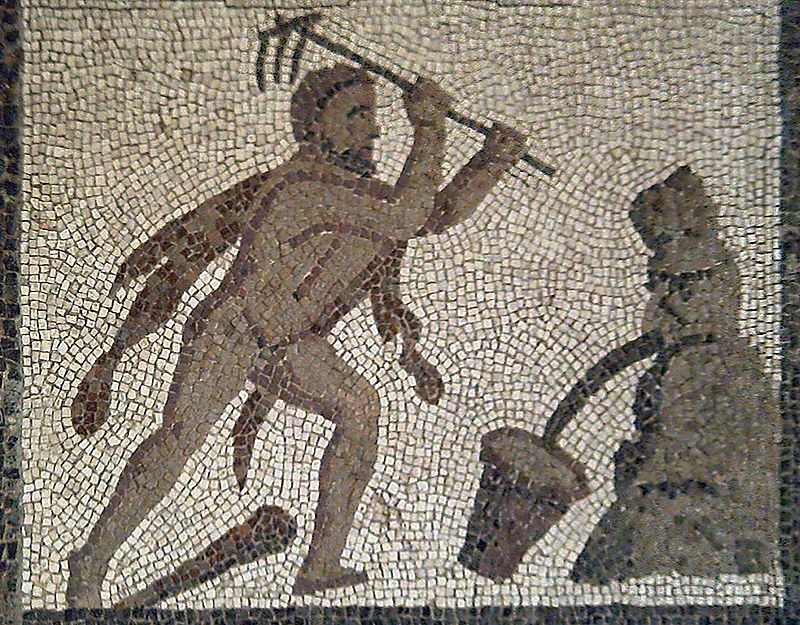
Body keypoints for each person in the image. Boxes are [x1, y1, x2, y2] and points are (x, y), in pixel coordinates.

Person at [66, 63, 528, 606]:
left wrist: (492, 161)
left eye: (372, 116)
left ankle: (321, 563)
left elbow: (432, 215)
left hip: (289, 345)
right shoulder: (302, 188)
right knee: (178, 441)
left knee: (360, 407)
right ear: (314, 127)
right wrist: (428, 128)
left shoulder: (360, 195)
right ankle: (91, 560)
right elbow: (407, 215)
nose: (373, 130)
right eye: (355, 115)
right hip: (232, 332)